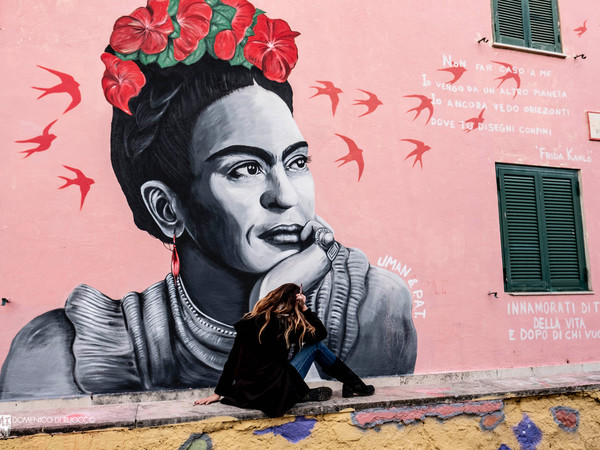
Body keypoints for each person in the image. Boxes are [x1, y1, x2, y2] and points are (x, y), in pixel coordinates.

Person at [0, 0, 417, 400]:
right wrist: (268, 301)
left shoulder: (369, 306)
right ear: (167, 208)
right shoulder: (64, 354)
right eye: (245, 169)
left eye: (297, 161)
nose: (285, 196)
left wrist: (272, 297)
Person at [194, 283, 374, 418]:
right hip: (277, 387)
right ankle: (355, 385)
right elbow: (320, 334)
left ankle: (298, 393)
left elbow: (232, 360)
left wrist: (219, 392)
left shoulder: (248, 322)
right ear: (294, 302)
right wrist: (305, 308)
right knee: (316, 347)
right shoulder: (287, 326)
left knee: (281, 365)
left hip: (250, 392)